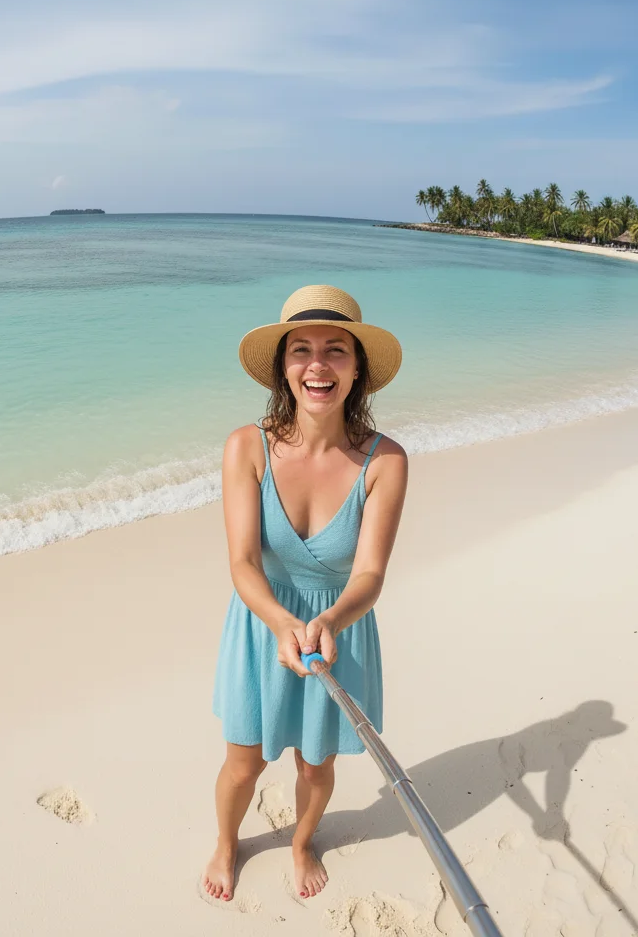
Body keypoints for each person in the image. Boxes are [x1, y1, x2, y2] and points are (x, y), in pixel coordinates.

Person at [202, 284, 409, 902]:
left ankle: (300, 843)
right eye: (302, 349)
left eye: (336, 350)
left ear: (358, 369)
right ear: (283, 365)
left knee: (316, 765)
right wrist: (278, 622)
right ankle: (225, 842)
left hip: (339, 630)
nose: (318, 365)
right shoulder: (247, 446)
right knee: (244, 761)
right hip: (261, 624)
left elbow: (370, 575)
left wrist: (331, 621)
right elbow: (241, 562)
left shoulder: (385, 460)